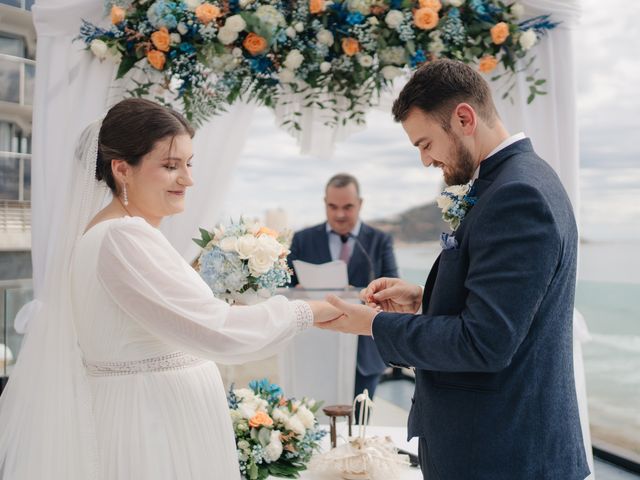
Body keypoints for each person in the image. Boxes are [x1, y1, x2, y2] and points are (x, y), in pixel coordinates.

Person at [0, 98, 341, 479]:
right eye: (169, 166)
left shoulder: (117, 233)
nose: (188, 179)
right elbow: (216, 331)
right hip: (152, 426)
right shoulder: (123, 237)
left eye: (188, 164)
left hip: (155, 415)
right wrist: (312, 311)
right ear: (122, 170)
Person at [319, 59, 590, 479]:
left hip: (503, 454)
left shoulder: (517, 195)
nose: (426, 160)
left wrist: (373, 325)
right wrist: (424, 298)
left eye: (425, 143)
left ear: (464, 117)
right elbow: (507, 307)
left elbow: (484, 342)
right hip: (494, 445)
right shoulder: (512, 181)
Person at [287, 173, 398, 403]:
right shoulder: (302, 239)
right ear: (324, 203)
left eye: (347, 207)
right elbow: (285, 285)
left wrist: (358, 294)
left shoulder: (380, 240)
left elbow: (394, 287)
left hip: (364, 354)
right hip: (314, 347)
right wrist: (296, 289)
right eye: (332, 206)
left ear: (360, 204)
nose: (339, 214)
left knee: (357, 428)